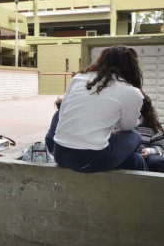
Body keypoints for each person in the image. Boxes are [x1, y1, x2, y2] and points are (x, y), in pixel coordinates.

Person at [49, 45, 147, 173]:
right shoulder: (132, 92)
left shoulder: (78, 78)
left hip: (60, 153)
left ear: (101, 61)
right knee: (135, 136)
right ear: (132, 67)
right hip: (89, 159)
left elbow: (62, 113)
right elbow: (128, 126)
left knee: (135, 160)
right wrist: (139, 101)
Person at [136, 95, 164, 172]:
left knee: (157, 161)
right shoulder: (119, 120)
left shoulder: (151, 126)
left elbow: (161, 147)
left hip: (145, 157)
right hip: (125, 155)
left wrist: (149, 151)